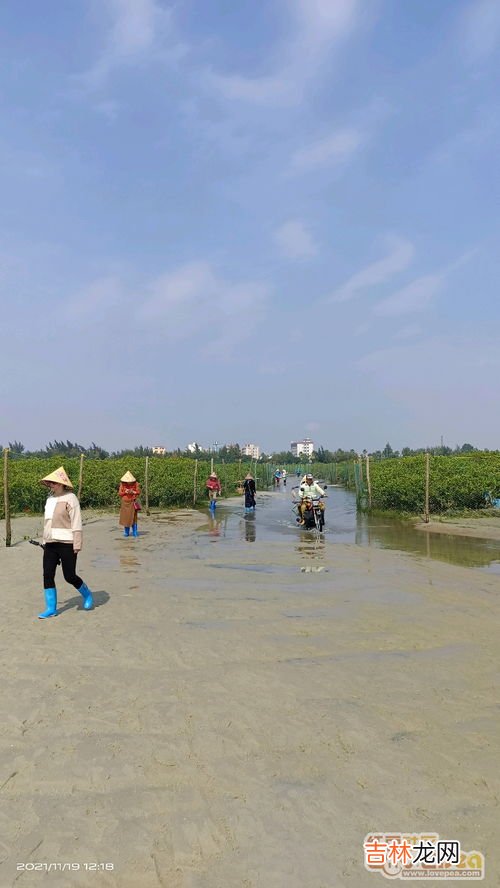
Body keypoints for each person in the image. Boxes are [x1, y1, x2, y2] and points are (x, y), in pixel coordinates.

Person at [38, 466, 93, 619]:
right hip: (50, 543)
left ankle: (87, 595)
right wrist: (44, 541)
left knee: (69, 576)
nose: (51, 486)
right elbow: (47, 522)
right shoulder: (49, 500)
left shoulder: (71, 498)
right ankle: (51, 608)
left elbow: (76, 522)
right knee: (47, 574)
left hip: (67, 543)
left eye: (54, 483)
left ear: (62, 484)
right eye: (50, 483)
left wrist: (77, 543)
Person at [118, 471, 141, 537]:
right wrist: (125, 492)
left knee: (134, 517)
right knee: (125, 518)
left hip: (133, 502)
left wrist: (133, 492)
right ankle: (126, 532)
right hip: (125, 503)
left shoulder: (136, 484)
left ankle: (135, 532)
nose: (128, 482)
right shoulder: (122, 484)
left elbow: (138, 492)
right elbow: (120, 493)